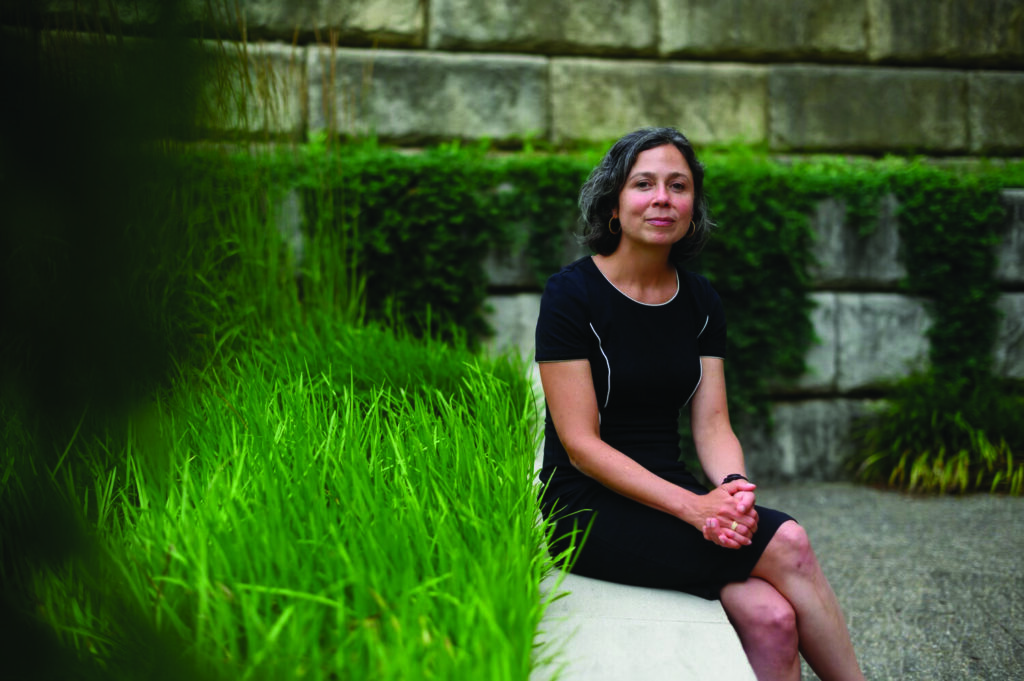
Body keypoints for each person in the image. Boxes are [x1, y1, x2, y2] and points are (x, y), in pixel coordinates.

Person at [535, 127, 866, 681]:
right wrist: (696, 509)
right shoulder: (571, 296)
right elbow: (581, 445)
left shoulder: (700, 300)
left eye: (678, 185)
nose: (662, 198)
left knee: (773, 618)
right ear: (614, 205)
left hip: (675, 490)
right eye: (644, 184)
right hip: (587, 510)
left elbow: (713, 424)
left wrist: (731, 490)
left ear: (693, 207)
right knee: (789, 542)